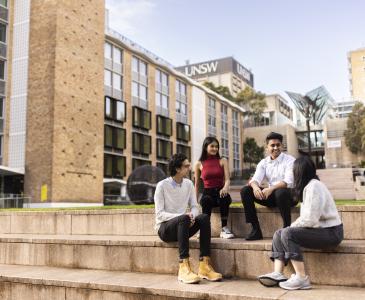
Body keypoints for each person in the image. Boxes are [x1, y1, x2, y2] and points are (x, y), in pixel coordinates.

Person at [258, 156, 343, 290]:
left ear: (299, 172)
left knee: (287, 233)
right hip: (321, 230)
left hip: (331, 233)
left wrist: (290, 229)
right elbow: (308, 219)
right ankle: (278, 273)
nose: (292, 174)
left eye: (294, 171)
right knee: (278, 233)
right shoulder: (308, 187)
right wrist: (286, 231)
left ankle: (301, 278)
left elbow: (310, 219)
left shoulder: (314, 186)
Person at [154, 153, 222, 284]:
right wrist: (183, 217)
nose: (190, 168)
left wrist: (192, 216)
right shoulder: (162, 186)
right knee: (183, 218)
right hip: (165, 229)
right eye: (186, 166)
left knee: (203, 217)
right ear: (177, 169)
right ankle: (183, 267)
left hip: (184, 226)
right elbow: (160, 214)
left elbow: (195, 206)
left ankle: (204, 266)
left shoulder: (189, 184)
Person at [240, 132, 296, 240]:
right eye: (272, 145)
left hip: (289, 195)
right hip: (272, 196)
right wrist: (256, 188)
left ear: (282, 146)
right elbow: (255, 180)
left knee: (281, 192)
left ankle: (286, 230)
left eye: (278, 145)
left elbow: (288, 181)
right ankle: (255, 230)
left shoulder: (290, 160)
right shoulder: (263, 162)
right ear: (267, 148)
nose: (275, 147)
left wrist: (271, 188)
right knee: (245, 191)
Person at [194, 136, 234, 239]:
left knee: (224, 197)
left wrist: (225, 188)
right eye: (212, 146)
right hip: (207, 193)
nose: (215, 149)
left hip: (221, 191)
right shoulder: (199, 164)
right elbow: (197, 184)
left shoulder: (223, 160)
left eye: (217, 147)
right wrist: (194, 201)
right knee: (206, 200)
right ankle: (205, 228)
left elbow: (228, 179)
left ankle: (224, 228)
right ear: (205, 147)